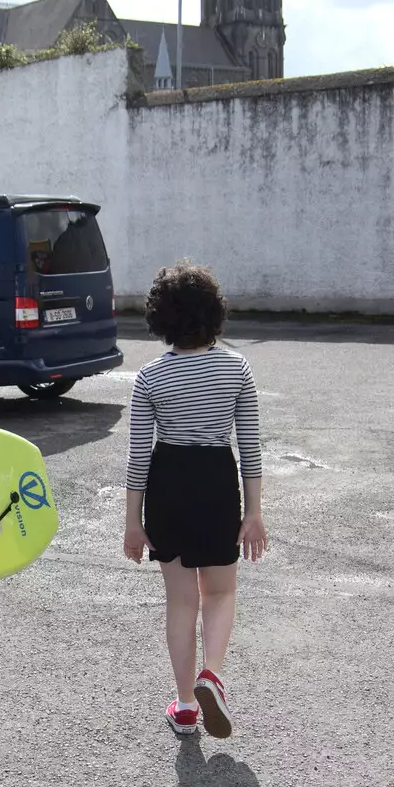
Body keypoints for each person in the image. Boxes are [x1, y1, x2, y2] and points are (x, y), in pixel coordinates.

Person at [122, 263, 268, 738]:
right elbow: (250, 446)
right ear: (214, 312)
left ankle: (186, 706)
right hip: (215, 483)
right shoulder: (236, 368)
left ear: (160, 317)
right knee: (221, 591)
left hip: (167, 484)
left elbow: (138, 455)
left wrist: (132, 522)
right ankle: (212, 675)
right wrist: (254, 513)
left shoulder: (149, 378)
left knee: (181, 602)